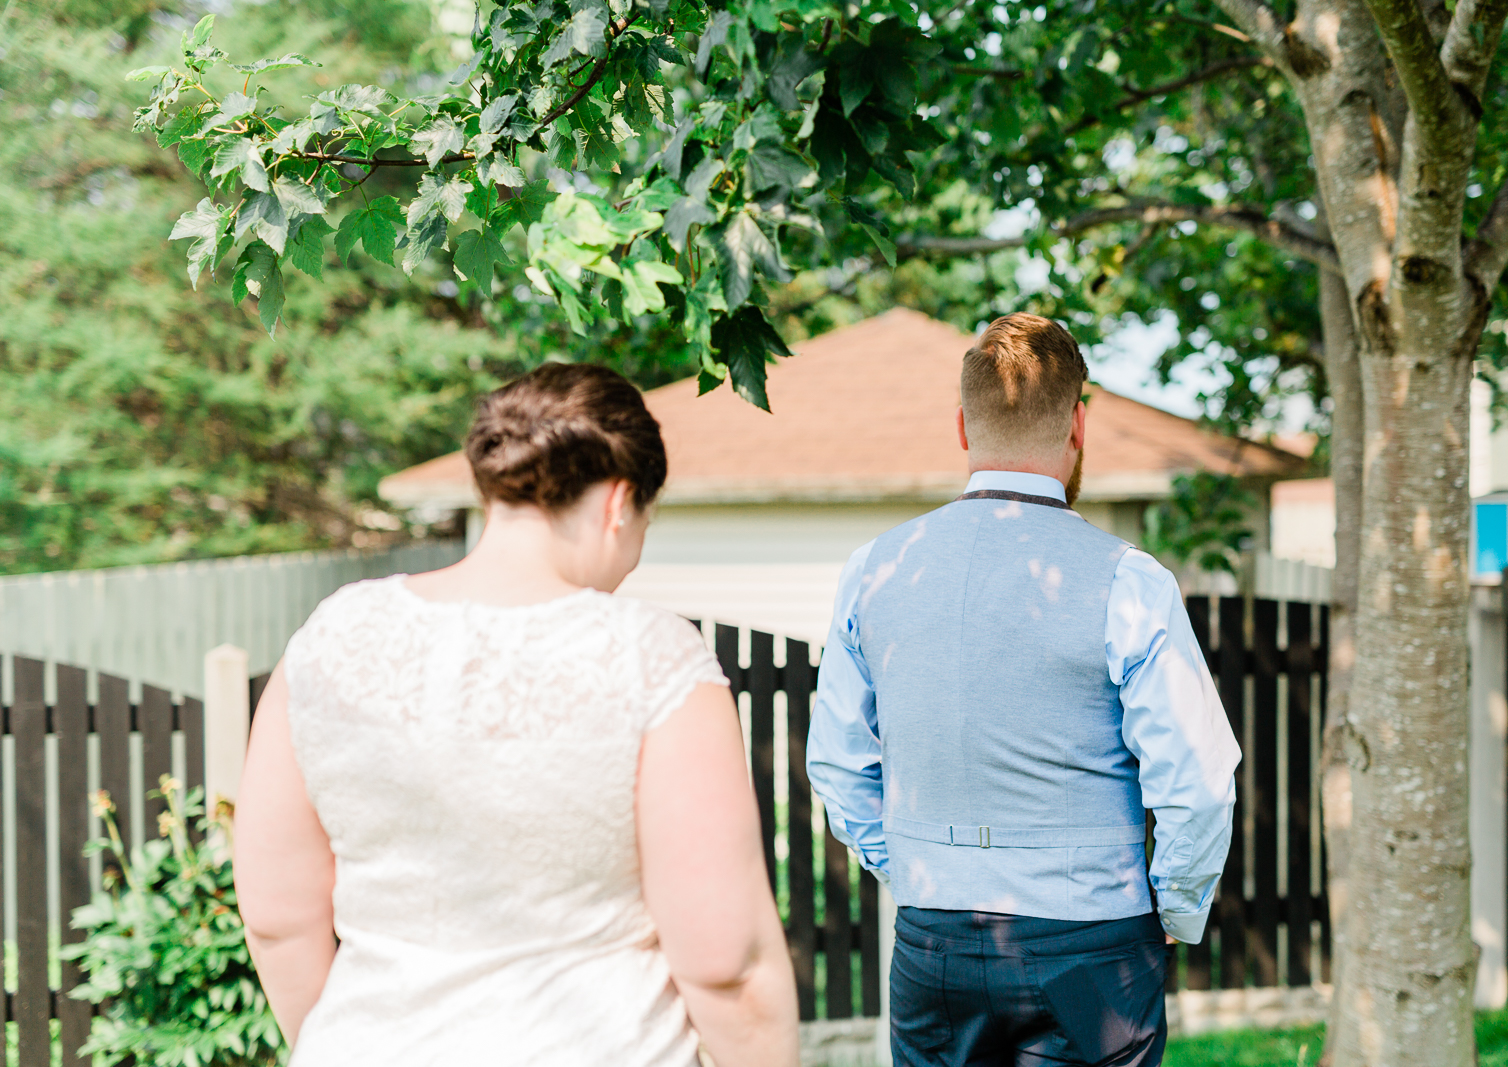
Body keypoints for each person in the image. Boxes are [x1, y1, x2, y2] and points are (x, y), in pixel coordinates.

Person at [232, 364, 799, 1067]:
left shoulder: (328, 637)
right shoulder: (653, 659)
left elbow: (276, 917)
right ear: (621, 502)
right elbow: (726, 961)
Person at [807, 313, 1241, 1067]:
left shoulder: (875, 568)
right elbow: (1199, 780)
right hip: (1093, 942)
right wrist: (1174, 905)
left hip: (933, 938)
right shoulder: (1129, 581)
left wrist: (911, 869)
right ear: (1078, 423)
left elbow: (839, 765)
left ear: (962, 427)